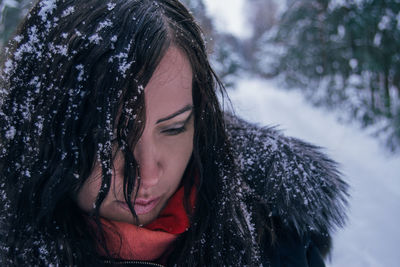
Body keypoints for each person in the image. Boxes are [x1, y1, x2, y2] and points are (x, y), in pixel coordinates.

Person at [0, 0, 349, 266]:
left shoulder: (276, 241)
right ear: (42, 130)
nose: (148, 175)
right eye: (107, 139)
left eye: (174, 128)